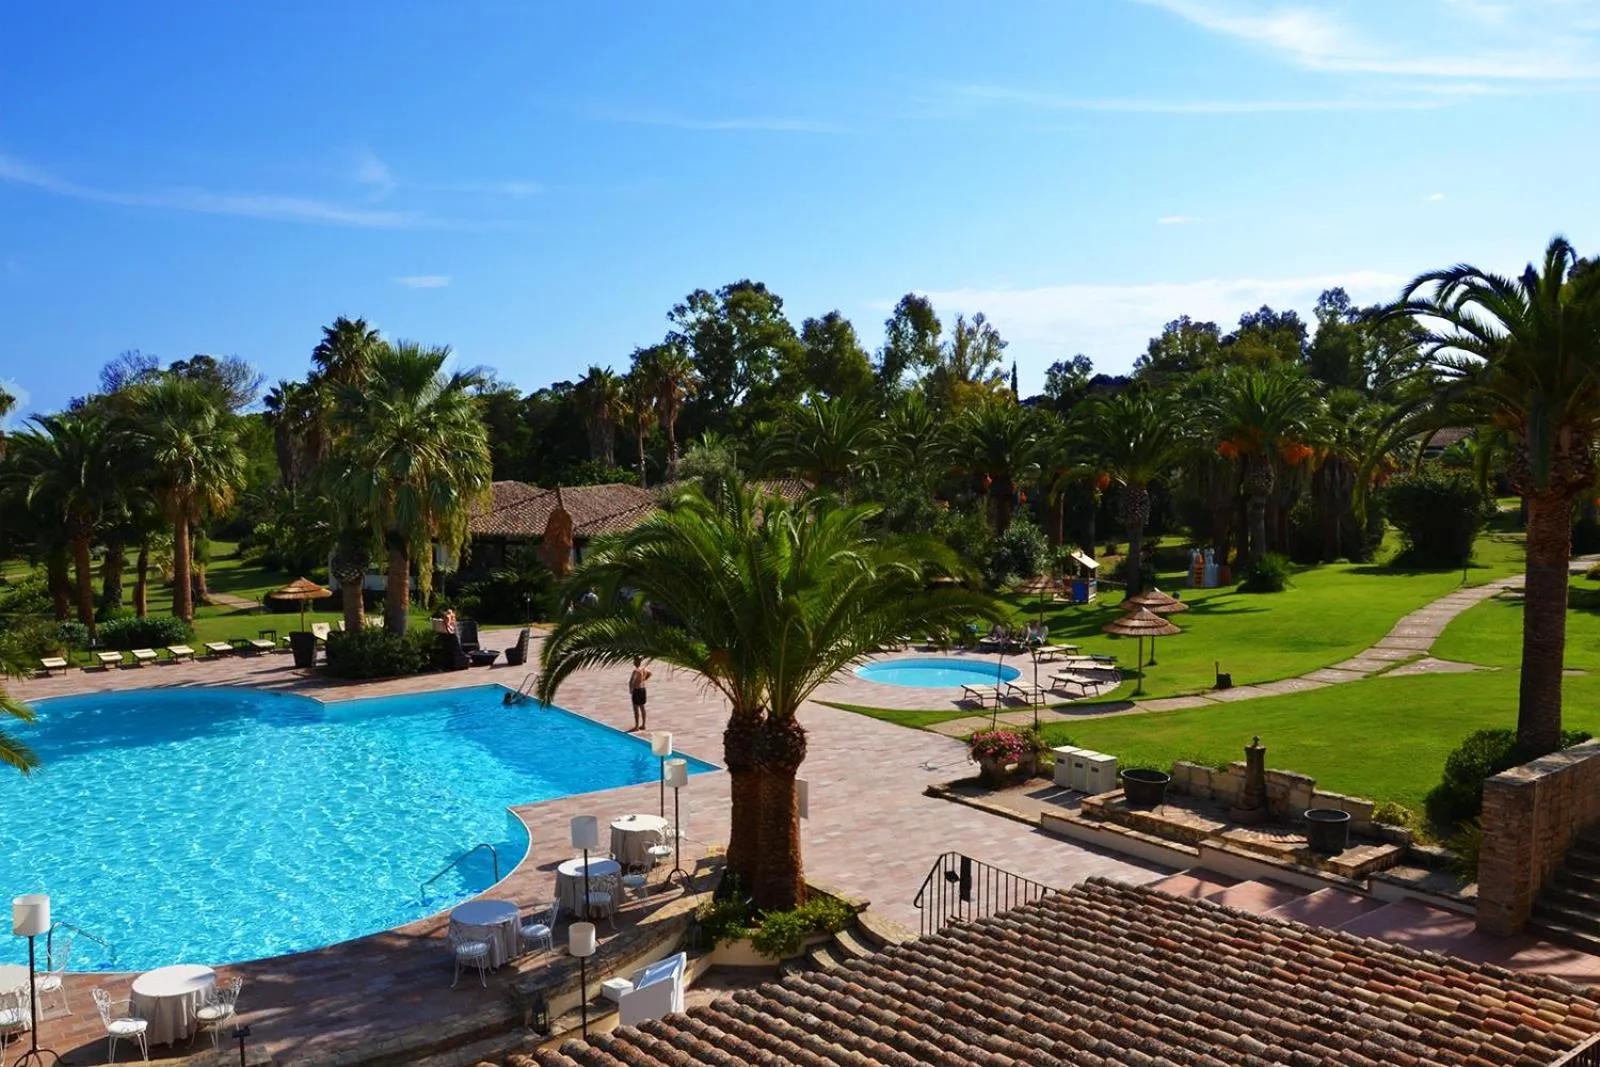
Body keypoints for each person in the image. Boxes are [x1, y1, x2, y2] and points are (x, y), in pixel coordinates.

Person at [629, 657, 652, 731]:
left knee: (635, 708)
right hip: (643, 689)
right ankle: (644, 724)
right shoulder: (644, 669)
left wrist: (631, 689)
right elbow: (650, 673)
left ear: (636, 662)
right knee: (642, 707)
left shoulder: (635, 671)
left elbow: (632, 681)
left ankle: (636, 726)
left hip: (637, 690)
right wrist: (644, 679)